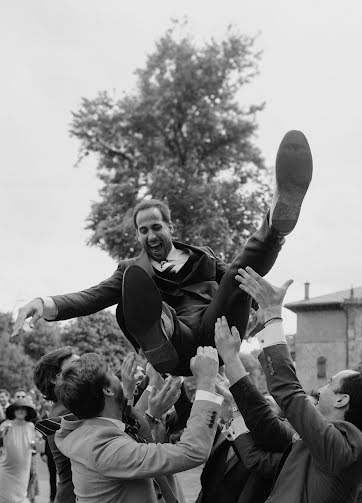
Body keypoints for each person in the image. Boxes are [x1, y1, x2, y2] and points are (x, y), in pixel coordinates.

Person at [12, 130, 313, 375]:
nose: (150, 235)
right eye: (143, 231)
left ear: (170, 227)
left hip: (217, 331)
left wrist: (260, 307)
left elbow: (243, 279)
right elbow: (91, 297)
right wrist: (44, 303)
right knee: (132, 297)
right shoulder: (132, 270)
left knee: (236, 272)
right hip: (177, 346)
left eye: (156, 227)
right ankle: (157, 334)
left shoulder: (203, 256)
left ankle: (276, 226)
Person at [211, 267, 362, 503]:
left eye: (330, 382)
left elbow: (289, 395)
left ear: (341, 399)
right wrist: (232, 362)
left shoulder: (348, 447)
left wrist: (273, 320)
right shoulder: (327, 441)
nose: (320, 387)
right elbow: (268, 427)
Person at [54, 347, 223, 503]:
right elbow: (192, 451)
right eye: (112, 374)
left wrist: (148, 412)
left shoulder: (95, 431)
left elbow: (127, 440)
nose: (121, 376)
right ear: (107, 390)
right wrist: (207, 382)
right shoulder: (102, 446)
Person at [33, 346, 86, 503]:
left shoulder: (70, 407)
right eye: (75, 364)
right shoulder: (66, 412)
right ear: (56, 377)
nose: (83, 366)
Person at [0, 397, 38, 503]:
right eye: (18, 409)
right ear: (14, 411)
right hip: (6, 466)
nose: (21, 411)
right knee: (2, 497)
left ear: (27, 412)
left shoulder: (30, 426)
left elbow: (35, 444)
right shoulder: (6, 424)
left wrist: (37, 444)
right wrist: (3, 432)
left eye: (23, 409)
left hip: (22, 467)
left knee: (19, 497)